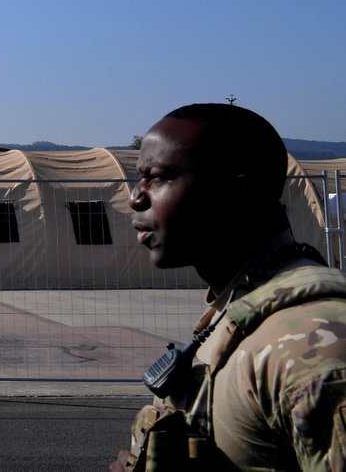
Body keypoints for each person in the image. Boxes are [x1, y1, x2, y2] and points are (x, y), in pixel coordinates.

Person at [111, 103, 346, 471]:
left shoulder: (312, 346)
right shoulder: (240, 313)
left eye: (157, 177)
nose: (135, 198)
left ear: (232, 194)